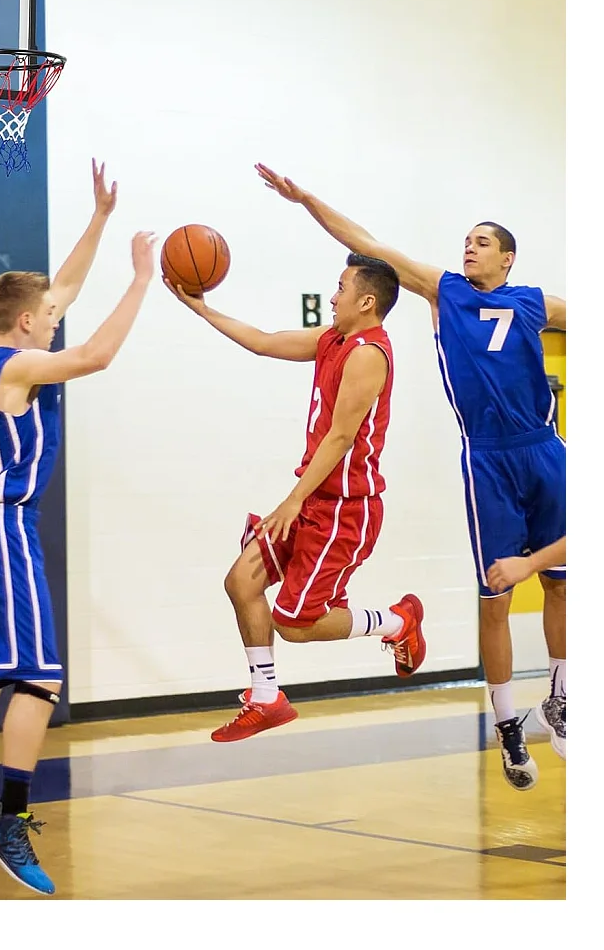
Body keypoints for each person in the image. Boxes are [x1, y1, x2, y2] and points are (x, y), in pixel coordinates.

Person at [256, 162, 566, 789]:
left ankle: (563, 697)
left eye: (483, 241)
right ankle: (508, 726)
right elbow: (370, 245)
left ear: (507, 260)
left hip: (546, 446)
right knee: (495, 596)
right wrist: (306, 197)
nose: (469, 247)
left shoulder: (533, 302)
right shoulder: (443, 288)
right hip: (487, 457)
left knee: (564, 584)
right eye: (467, 240)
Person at [0, 159, 158, 896]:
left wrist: (101, 218)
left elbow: (61, 288)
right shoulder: (21, 366)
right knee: (39, 677)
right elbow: (98, 353)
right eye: (47, 315)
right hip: (6, 528)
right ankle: (9, 822)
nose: (57, 314)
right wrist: (141, 280)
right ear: (25, 323)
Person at [168, 253, 427, 744]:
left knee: (296, 623)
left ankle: (398, 620)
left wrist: (291, 500)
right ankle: (266, 698)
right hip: (312, 499)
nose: (333, 297)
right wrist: (201, 308)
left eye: (341, 288)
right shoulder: (332, 340)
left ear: (366, 301)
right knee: (241, 582)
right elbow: (263, 343)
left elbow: (341, 437)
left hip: (344, 509)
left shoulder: (369, 353)